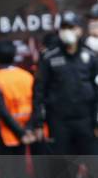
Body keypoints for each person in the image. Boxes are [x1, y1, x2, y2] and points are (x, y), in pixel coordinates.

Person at [31, 11, 98, 156]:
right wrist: (38, 123)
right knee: (63, 169)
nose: (67, 31)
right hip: (59, 122)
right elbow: (39, 90)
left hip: (86, 121)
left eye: (71, 27)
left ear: (80, 29)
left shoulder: (91, 55)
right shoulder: (49, 56)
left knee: (93, 167)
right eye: (64, 27)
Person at [0, 41, 36, 156]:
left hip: (6, 134)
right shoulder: (27, 76)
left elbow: (0, 110)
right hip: (27, 131)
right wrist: (28, 130)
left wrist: (20, 132)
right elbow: (36, 103)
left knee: (7, 171)